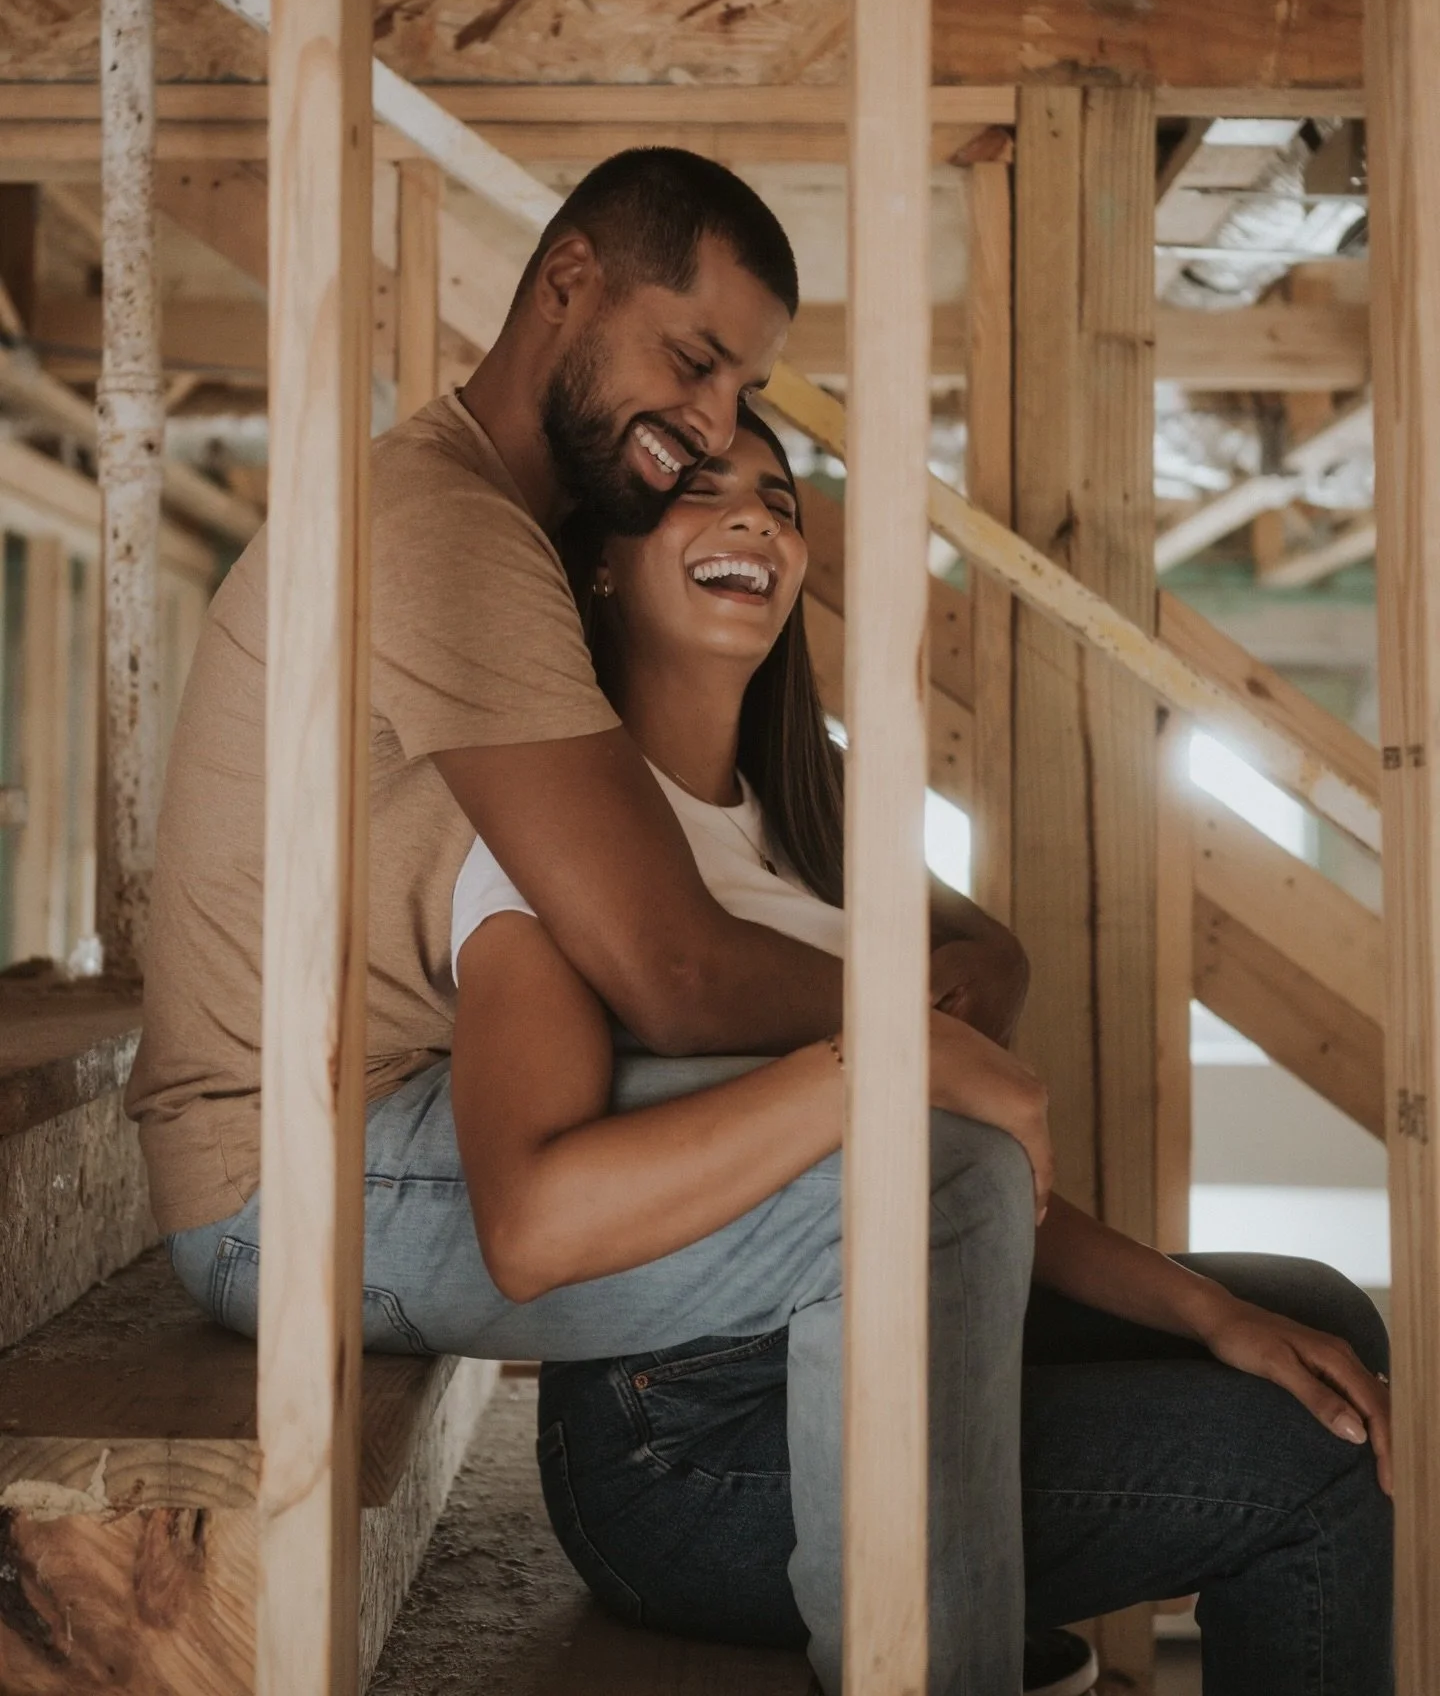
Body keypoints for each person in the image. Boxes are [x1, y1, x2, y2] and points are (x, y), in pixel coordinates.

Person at [138, 147, 1390, 1693]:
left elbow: (898, 943)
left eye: (749, 399)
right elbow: (667, 971)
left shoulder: (554, 580)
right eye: (696, 360)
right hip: (292, 1171)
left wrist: (940, 1033)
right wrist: (918, 1055)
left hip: (401, 1118)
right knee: (927, 1166)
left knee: (1273, 1303)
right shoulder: (445, 529)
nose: (717, 423)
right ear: (569, 282)